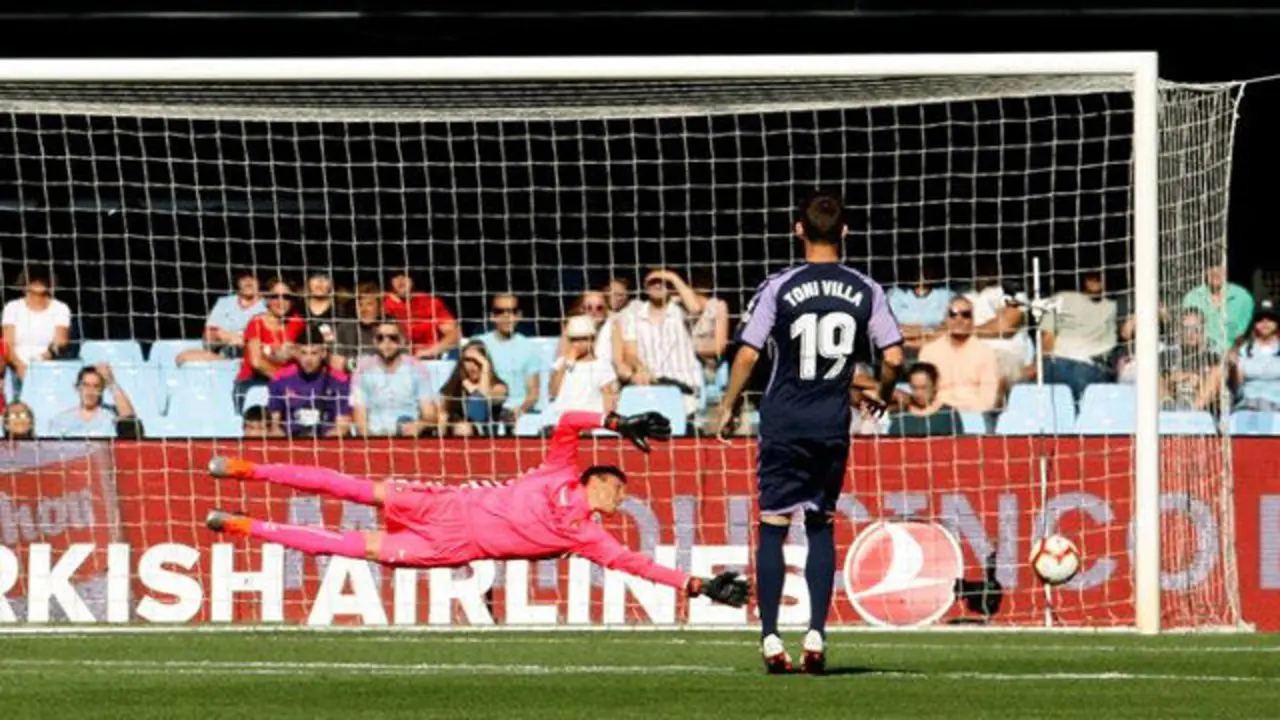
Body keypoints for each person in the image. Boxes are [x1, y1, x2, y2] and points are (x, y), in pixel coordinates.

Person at [203, 410, 749, 609]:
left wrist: (696, 585)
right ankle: (248, 469)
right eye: (617, 486)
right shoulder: (561, 469)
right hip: (445, 504)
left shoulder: (587, 537)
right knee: (352, 488)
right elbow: (565, 424)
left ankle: (242, 525)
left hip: (451, 547)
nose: (621, 498)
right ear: (598, 478)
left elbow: (639, 566)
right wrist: (614, 418)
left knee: (350, 545)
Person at [708, 190, 904, 674]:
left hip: (783, 419)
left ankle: (772, 637)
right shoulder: (867, 289)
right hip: (830, 422)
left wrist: (729, 406)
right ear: (846, 233)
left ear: (798, 230)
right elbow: (895, 357)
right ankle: (816, 629)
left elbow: (750, 353)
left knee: (773, 524)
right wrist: (880, 389)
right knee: (820, 522)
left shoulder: (778, 286)